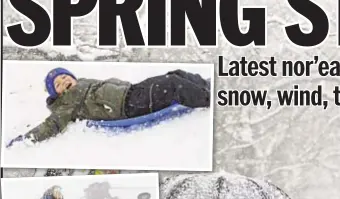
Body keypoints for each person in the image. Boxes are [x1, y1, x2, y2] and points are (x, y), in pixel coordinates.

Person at [9, 67, 211, 145]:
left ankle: (207, 85)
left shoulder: (83, 83)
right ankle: (208, 99)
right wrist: (27, 139)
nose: (64, 82)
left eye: (64, 77)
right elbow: (51, 125)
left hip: (133, 91)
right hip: (128, 105)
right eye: (58, 85)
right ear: (58, 94)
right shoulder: (65, 104)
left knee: (175, 74)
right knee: (172, 84)